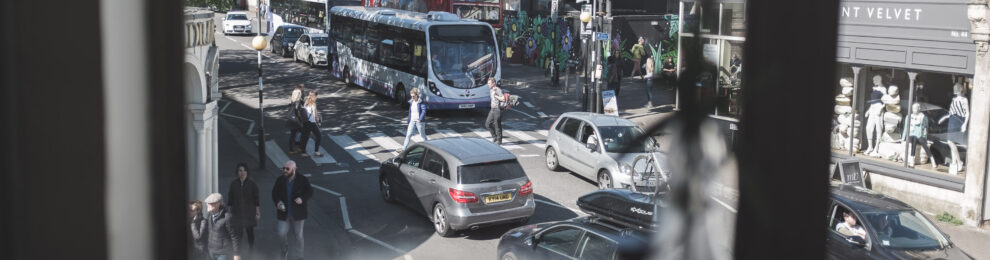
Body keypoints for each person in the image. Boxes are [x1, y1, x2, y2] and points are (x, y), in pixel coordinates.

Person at [272, 160, 313, 260]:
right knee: (281, 233)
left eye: (287, 169)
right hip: (284, 213)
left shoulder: (302, 180)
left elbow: (310, 191)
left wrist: (302, 199)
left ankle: (300, 256)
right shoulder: (280, 180)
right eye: (284, 168)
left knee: (298, 236)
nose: (285, 170)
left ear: (294, 170)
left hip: (298, 214)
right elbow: (274, 193)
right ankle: (284, 249)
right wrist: (277, 202)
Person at [227, 163, 260, 253]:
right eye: (240, 170)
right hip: (237, 212)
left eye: (244, 170)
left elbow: (256, 199)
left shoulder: (252, 184)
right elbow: (230, 198)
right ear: (237, 172)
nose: (242, 172)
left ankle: (251, 250)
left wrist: (257, 212)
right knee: (238, 234)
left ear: (247, 172)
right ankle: (239, 252)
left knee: (250, 232)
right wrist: (229, 212)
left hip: (249, 212)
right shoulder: (234, 184)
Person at [204, 193, 242, 260]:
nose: (208, 205)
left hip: (223, 253)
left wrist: (236, 254)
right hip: (211, 252)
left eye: (211, 203)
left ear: (218, 203)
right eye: (207, 203)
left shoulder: (227, 217)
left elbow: (234, 236)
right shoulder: (209, 215)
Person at [299, 91, 323, 158]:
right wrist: (318, 121)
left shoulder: (306, 102)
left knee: (305, 137)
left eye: (311, 95)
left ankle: (303, 152)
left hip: (305, 122)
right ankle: (316, 151)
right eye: (311, 95)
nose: (310, 96)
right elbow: (315, 116)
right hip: (311, 123)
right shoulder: (313, 104)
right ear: (315, 97)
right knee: (319, 136)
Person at [485, 77, 506, 145]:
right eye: (488, 83)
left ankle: (499, 140)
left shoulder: (497, 89)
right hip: (492, 109)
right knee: (488, 124)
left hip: (498, 109)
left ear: (493, 83)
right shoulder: (491, 89)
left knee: (497, 125)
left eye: (489, 83)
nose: (488, 85)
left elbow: (503, 99)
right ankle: (495, 137)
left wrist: (496, 96)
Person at [286, 84, 305, 155]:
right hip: (297, 120)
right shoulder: (297, 102)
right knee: (304, 132)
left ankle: (291, 149)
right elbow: (297, 110)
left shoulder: (292, 102)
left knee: (293, 134)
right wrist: (300, 119)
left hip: (292, 120)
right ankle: (300, 148)